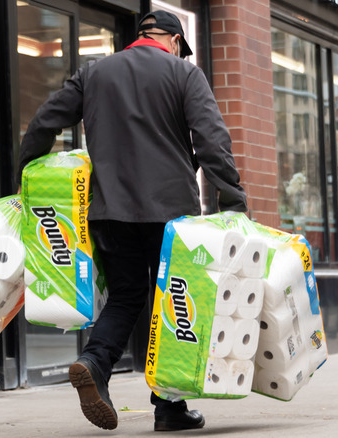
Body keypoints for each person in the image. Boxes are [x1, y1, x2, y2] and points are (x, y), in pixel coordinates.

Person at [15, 10, 248, 432]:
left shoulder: (94, 72)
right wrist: (233, 202)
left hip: (109, 210)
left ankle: (94, 362)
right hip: (171, 212)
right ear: (175, 40)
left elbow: (44, 122)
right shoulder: (184, 74)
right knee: (175, 302)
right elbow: (212, 140)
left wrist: (27, 177)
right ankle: (169, 407)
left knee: (126, 295)